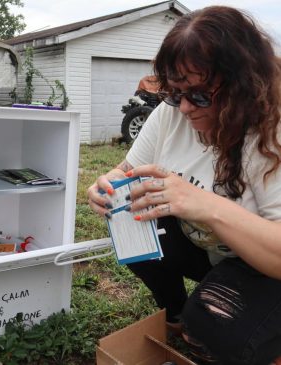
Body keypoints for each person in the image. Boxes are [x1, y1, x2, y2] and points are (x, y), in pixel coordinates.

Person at [87, 5, 281, 365]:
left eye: (200, 95)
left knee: (215, 326)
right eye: (175, 93)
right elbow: (126, 171)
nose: (186, 108)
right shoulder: (170, 113)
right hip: (215, 251)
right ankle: (176, 313)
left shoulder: (271, 131)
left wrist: (205, 204)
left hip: (266, 264)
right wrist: (105, 188)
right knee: (132, 213)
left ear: (243, 84)